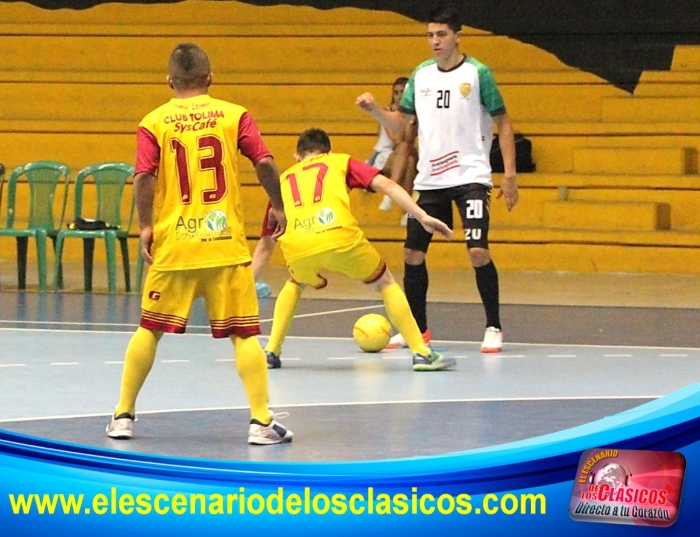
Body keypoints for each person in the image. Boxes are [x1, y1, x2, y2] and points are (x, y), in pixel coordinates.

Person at [105, 42, 293, 445]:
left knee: (149, 329)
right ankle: (260, 423)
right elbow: (263, 162)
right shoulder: (233, 114)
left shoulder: (153, 121)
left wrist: (145, 226)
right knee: (244, 335)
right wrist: (277, 206)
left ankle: (123, 416)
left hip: (175, 246)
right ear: (210, 79)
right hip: (224, 245)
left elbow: (142, 176)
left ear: (169, 81)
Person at [356, 4, 519, 353]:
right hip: (430, 181)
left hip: (471, 175)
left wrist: (509, 175)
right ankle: (418, 331)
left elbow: (503, 122)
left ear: (457, 37)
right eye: (430, 35)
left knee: (477, 250)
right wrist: (375, 111)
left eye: (441, 34)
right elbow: (401, 123)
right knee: (413, 254)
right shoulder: (421, 75)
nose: (435, 41)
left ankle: (493, 326)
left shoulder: (478, 74)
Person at [263, 128, 456, 372]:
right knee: (385, 281)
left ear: (297, 156)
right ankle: (421, 353)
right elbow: (385, 184)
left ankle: (271, 351)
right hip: (338, 234)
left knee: (294, 283)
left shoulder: (284, 178)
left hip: (297, 242)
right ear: (327, 151)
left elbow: (269, 230)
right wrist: (421, 215)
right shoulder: (339, 161)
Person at [366, 77, 419, 217]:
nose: (399, 96)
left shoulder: (415, 113)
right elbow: (397, 139)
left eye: (403, 92)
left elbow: (409, 140)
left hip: (403, 155)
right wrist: (406, 121)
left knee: (411, 162)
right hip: (384, 156)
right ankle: (392, 193)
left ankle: (406, 212)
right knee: (404, 149)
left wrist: (412, 118)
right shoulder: (387, 112)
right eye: (396, 92)